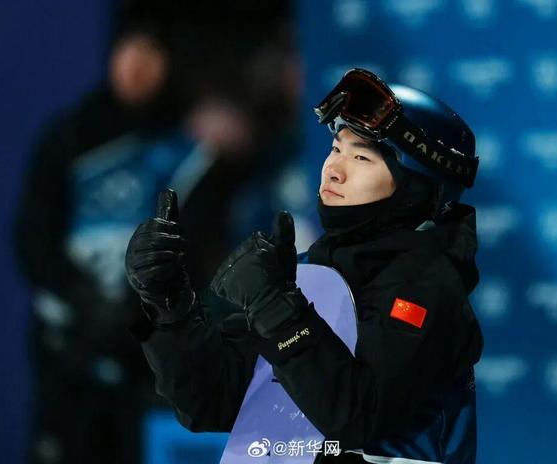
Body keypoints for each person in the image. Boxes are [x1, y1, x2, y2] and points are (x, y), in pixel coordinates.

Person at [125, 68, 484, 463]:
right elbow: (210, 401)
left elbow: (359, 415)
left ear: (415, 186)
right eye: (335, 148)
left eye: (361, 157)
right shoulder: (310, 273)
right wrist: (169, 307)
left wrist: (274, 308)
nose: (334, 169)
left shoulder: (428, 286)